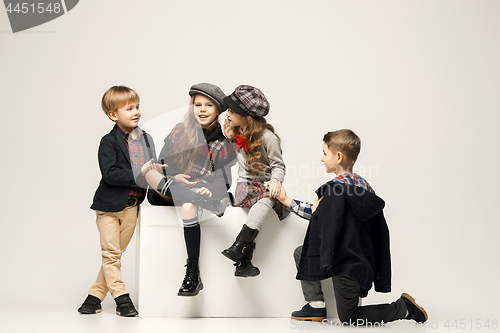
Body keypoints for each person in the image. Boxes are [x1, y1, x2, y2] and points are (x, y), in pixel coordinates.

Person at [276, 129, 428, 325]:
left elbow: (318, 218)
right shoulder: (365, 188)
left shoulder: (334, 191)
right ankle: (315, 306)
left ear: (338, 156)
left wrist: (287, 201)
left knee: (349, 317)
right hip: (360, 260)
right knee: (302, 252)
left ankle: (404, 308)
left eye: (324, 153)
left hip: (345, 263)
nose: (322, 159)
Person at [142, 83, 236, 297]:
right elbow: (161, 164)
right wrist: (175, 177)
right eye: (197, 104)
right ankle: (195, 198)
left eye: (208, 105)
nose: (202, 109)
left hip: (195, 195)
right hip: (166, 191)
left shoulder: (222, 143)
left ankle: (193, 273)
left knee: (188, 206)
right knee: (148, 171)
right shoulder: (179, 131)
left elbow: (224, 181)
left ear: (218, 111)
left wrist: (206, 191)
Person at [78, 86, 157, 317]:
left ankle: (94, 297)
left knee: (113, 256)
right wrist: (138, 171)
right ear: (113, 115)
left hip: (132, 207)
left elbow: (149, 170)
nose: (136, 112)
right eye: (129, 108)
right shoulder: (108, 141)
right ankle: (123, 300)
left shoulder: (146, 139)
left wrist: (157, 171)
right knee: (111, 255)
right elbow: (110, 174)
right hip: (108, 207)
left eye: (137, 107)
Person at [221, 85, 289, 277]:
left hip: (266, 187)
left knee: (274, 195)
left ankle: (242, 258)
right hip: (245, 189)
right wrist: (230, 140)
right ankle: (240, 245)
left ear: (247, 116)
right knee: (270, 198)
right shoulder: (238, 136)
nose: (228, 114)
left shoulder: (268, 138)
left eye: (232, 111)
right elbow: (228, 161)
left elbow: (278, 166)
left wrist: (276, 181)